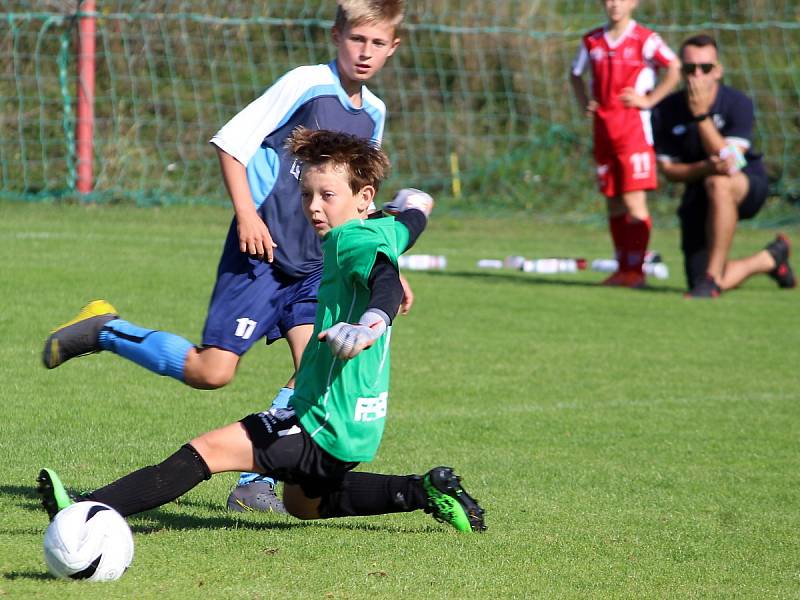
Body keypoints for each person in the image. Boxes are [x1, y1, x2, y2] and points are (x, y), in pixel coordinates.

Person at [40, 0, 410, 512]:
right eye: (356, 39)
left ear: (393, 46)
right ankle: (106, 329)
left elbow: (359, 191)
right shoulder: (305, 83)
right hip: (261, 250)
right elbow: (232, 142)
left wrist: (384, 272)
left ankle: (252, 484)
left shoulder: (375, 111)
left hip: (315, 265)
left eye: (376, 43)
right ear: (336, 35)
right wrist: (246, 214)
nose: (364, 52)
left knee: (313, 374)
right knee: (212, 372)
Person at [36, 128, 487, 535]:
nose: (313, 207)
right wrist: (417, 205)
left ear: (363, 196)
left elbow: (384, 284)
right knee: (303, 505)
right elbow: (409, 224)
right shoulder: (383, 228)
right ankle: (425, 490)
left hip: (321, 422)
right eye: (307, 194)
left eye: (327, 195)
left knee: (207, 451)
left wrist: (370, 324)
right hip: (357, 426)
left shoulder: (355, 241)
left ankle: (82, 511)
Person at [652, 34, 795, 297]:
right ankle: (771, 258)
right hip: (699, 189)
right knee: (695, 283)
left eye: (705, 68)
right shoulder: (666, 110)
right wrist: (705, 168)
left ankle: (711, 276)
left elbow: (732, 162)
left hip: (745, 184)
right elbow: (670, 172)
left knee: (719, 182)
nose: (697, 74)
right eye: (689, 68)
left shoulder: (737, 103)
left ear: (717, 71)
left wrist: (701, 117)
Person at [570, 0, 681, 288]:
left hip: (633, 133)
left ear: (634, 3)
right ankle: (623, 268)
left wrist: (648, 100)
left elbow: (675, 68)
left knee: (634, 201)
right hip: (603, 132)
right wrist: (585, 103)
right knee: (614, 202)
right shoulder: (592, 40)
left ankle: (637, 270)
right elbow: (575, 74)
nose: (614, 4)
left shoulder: (645, 39)